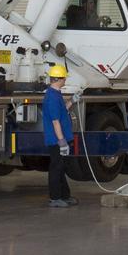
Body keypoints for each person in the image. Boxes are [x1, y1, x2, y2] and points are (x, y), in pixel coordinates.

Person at [42, 63, 78, 208]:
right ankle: (55, 197)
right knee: (57, 167)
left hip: (61, 138)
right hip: (56, 140)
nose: (65, 81)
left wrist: (72, 101)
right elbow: (55, 121)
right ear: (59, 79)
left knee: (62, 166)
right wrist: (61, 141)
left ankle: (64, 195)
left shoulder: (56, 94)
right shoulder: (52, 97)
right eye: (64, 78)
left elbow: (62, 110)